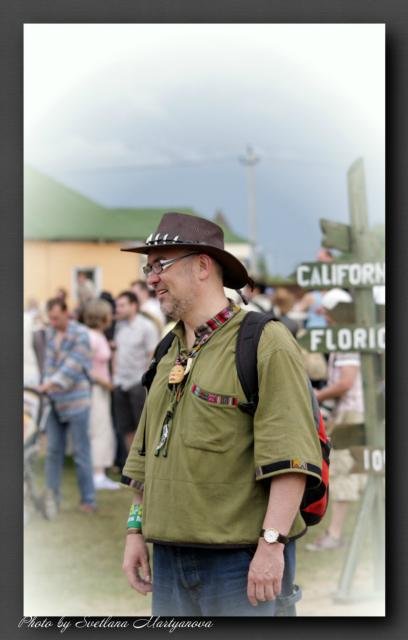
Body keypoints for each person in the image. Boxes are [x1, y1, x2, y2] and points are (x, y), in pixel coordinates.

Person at [120, 212, 322, 616]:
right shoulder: (167, 349)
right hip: (170, 559)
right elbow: (146, 455)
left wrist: (271, 545)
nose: (151, 278)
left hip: (240, 562)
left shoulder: (263, 341)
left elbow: (292, 456)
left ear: (202, 266)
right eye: (148, 268)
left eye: (161, 265)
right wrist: (134, 530)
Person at [305, 288, 365, 551]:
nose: (325, 317)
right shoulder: (350, 335)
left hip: (350, 413)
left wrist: (316, 395)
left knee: (343, 470)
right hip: (351, 412)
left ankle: (335, 535)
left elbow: (346, 382)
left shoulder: (346, 339)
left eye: (328, 312)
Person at [37, 298, 96, 517]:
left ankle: (88, 500)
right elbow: (47, 364)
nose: (53, 322)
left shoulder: (81, 334)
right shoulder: (50, 334)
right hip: (54, 402)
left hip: (77, 401)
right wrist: (46, 383)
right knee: (53, 451)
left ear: (66, 312)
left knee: (81, 452)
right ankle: (52, 499)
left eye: (56, 317)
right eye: (50, 318)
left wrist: (50, 383)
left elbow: (74, 365)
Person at [112, 291, 158, 455]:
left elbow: (152, 355)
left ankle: (143, 466)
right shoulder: (119, 326)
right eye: (117, 305)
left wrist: (145, 382)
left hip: (138, 384)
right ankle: (129, 465)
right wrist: (115, 378)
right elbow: (117, 351)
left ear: (134, 306)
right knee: (125, 428)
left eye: (122, 305)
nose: (118, 309)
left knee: (142, 429)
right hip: (120, 384)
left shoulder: (147, 327)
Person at [83, 299, 120, 491]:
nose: (112, 317)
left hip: (100, 390)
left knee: (101, 429)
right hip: (95, 390)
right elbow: (85, 366)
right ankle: (97, 475)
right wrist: (105, 382)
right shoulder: (92, 337)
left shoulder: (98, 336)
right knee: (99, 430)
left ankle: (99, 473)